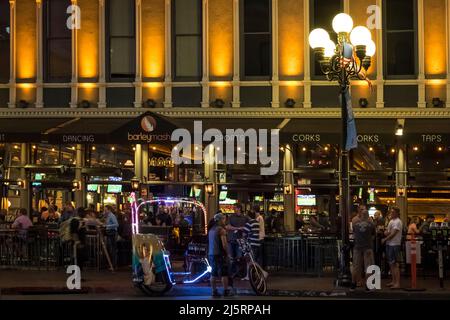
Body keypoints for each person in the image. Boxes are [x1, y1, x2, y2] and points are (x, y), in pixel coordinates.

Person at [350, 208, 375, 291]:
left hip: (357, 247)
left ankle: (353, 284)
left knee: (356, 266)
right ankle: (367, 286)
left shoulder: (355, 225)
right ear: (368, 216)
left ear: (360, 216)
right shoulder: (371, 225)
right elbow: (373, 235)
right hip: (368, 247)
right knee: (368, 266)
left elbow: (354, 233)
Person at [208, 213, 232, 297]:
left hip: (211, 254)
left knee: (213, 273)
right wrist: (228, 253)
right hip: (219, 254)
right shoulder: (221, 230)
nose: (225, 221)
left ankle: (214, 291)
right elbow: (224, 244)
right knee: (224, 273)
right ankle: (226, 291)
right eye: (223, 219)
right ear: (220, 220)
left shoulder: (211, 230)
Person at [226, 203, 249, 289]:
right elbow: (227, 227)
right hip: (231, 240)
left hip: (240, 241)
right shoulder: (231, 217)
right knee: (231, 258)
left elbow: (249, 225)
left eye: (235, 208)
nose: (234, 209)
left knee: (239, 258)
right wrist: (239, 228)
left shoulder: (245, 217)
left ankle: (237, 273)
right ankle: (232, 274)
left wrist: (244, 231)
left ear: (239, 208)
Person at [382, 207, 403, 289]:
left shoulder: (398, 222)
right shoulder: (391, 221)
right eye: (391, 212)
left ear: (397, 213)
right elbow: (387, 232)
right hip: (389, 244)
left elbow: (393, 234)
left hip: (395, 244)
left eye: (393, 212)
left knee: (395, 264)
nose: (391, 213)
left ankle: (397, 283)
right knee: (391, 263)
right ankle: (393, 281)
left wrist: (385, 239)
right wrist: (386, 234)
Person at [242, 210, 262, 279]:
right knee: (254, 261)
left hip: (251, 244)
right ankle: (255, 275)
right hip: (257, 243)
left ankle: (249, 276)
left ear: (248, 216)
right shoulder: (257, 223)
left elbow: (244, 233)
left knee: (249, 261)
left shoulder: (249, 223)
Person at [70, 207, 88, 271]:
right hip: (77, 243)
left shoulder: (82, 220)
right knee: (76, 259)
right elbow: (74, 232)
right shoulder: (74, 220)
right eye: (83, 212)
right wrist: (77, 242)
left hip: (81, 242)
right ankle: (75, 275)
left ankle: (78, 275)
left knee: (80, 259)